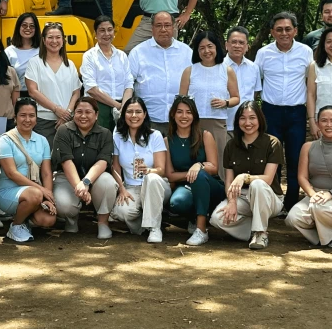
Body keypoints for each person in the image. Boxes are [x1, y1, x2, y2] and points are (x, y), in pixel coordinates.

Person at [253, 11, 312, 207]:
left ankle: (291, 202)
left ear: (295, 31)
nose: (284, 33)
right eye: (279, 29)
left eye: (288, 29)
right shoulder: (263, 53)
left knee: (295, 158)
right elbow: (256, 82)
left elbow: (310, 82)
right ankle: (274, 201)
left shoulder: (306, 52)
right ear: (272, 32)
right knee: (272, 158)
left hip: (296, 113)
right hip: (270, 112)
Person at [209, 101, 285, 250]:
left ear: (260, 119)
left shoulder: (272, 143)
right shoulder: (231, 145)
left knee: (257, 184)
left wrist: (244, 177)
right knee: (217, 218)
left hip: (269, 197)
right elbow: (229, 181)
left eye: (252, 118)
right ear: (237, 121)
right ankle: (254, 228)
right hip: (242, 197)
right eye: (243, 118)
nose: (247, 123)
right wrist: (231, 202)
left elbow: (268, 179)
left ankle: (261, 233)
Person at [286, 105, 332, 249]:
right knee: (293, 218)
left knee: (320, 208)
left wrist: (331, 193)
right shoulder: (307, 147)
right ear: (317, 124)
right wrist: (313, 194)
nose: (329, 124)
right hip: (315, 196)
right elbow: (302, 177)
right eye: (324, 120)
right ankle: (324, 236)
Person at [51, 96, 118, 235]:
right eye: (79, 112)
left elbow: (103, 161)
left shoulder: (105, 134)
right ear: (74, 113)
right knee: (63, 204)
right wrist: (80, 187)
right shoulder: (63, 131)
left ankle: (103, 222)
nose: (83, 116)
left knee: (108, 182)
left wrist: (86, 182)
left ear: (96, 114)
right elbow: (66, 161)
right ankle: (71, 220)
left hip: (95, 178)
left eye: (88, 112)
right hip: (67, 177)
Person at [109, 96, 171, 243]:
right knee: (122, 212)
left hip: (156, 185)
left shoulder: (155, 135)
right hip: (132, 187)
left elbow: (161, 170)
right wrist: (121, 189)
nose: (134, 115)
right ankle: (143, 227)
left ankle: (155, 228)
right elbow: (115, 167)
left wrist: (149, 170)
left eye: (138, 112)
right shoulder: (118, 136)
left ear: (145, 114)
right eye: (129, 112)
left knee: (152, 178)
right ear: (124, 114)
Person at [164, 95, 223, 247]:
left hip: (211, 186)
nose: (184, 116)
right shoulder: (167, 141)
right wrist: (192, 174)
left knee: (200, 175)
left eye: (188, 112)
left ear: (194, 115)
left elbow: (214, 167)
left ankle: (201, 230)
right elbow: (170, 175)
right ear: (173, 114)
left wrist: (199, 166)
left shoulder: (205, 135)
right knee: (177, 202)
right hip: (186, 187)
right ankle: (193, 218)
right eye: (179, 112)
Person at [0, 97, 57, 243]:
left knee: (48, 220)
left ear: (36, 118)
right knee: (35, 194)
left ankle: (24, 220)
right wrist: (42, 191)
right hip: (8, 191)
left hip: (34, 192)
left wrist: (48, 198)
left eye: (32, 115)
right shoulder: (6, 140)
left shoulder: (42, 140)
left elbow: (46, 173)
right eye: (23, 115)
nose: (27, 120)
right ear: (15, 117)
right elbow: (11, 173)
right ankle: (16, 226)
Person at [128, 11, 193, 138]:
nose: (163, 29)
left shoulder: (187, 52)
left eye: (167, 25)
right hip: (147, 120)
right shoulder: (138, 52)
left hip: (179, 121)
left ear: (173, 27)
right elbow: (128, 84)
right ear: (152, 28)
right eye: (159, 25)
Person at [179, 29, 238, 157]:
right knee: (194, 157)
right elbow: (180, 100)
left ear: (216, 47)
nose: (206, 51)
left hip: (217, 122)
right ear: (197, 51)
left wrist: (225, 102)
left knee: (219, 158)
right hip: (193, 122)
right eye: (202, 48)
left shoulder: (227, 70)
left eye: (210, 46)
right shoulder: (189, 71)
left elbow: (236, 98)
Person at [24, 21, 81, 142]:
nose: (54, 41)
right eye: (50, 37)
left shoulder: (70, 64)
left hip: (67, 121)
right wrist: (56, 109)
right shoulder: (35, 63)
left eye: (58, 37)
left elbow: (76, 92)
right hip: (43, 121)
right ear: (44, 40)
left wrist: (67, 114)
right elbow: (33, 91)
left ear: (63, 40)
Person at [80, 15, 133, 130]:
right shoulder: (89, 56)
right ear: (95, 33)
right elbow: (91, 88)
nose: (106, 34)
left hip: (122, 105)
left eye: (110, 30)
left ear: (114, 32)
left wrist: (124, 106)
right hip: (98, 106)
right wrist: (117, 105)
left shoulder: (122, 56)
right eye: (102, 30)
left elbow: (129, 84)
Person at [223, 26, 261, 141]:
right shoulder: (218, 67)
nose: (237, 46)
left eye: (241, 43)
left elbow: (255, 94)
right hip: (225, 125)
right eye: (234, 42)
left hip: (248, 126)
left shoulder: (254, 68)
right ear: (226, 45)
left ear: (247, 47)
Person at [5, 12, 41, 94]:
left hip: (40, 95)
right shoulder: (9, 51)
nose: (28, 28)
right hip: (16, 94)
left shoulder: (42, 50)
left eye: (32, 26)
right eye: (24, 25)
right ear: (18, 27)